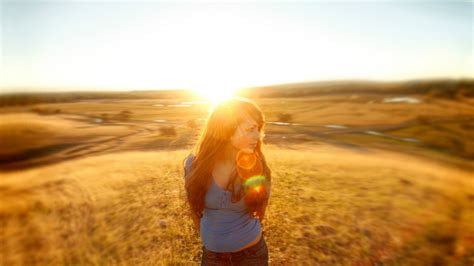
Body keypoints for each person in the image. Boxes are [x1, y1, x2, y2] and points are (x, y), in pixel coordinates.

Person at [183, 97, 272, 265]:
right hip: (212, 257)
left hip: (252, 256)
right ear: (227, 130)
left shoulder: (257, 166)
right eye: (250, 129)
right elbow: (194, 208)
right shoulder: (194, 165)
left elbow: (261, 209)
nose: (257, 136)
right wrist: (211, 238)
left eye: (258, 128)